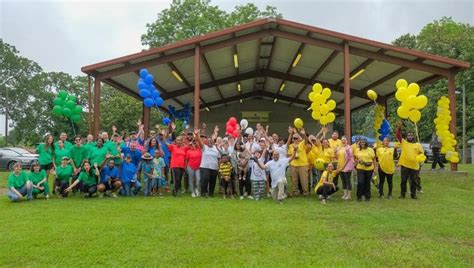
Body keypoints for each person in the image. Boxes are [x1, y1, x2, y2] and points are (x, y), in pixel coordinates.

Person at [396, 123, 424, 199]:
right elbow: (398, 135)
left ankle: (413, 195)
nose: (410, 136)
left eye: (411, 135)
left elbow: (421, 154)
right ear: (407, 136)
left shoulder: (417, 145)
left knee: (414, 181)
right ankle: (402, 194)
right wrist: (399, 128)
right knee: (403, 181)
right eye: (409, 135)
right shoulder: (404, 142)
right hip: (405, 165)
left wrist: (421, 161)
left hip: (414, 166)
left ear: (413, 136)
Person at [196, 128, 220, 198]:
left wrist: (219, 167)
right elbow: (200, 142)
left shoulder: (216, 148)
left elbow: (218, 158)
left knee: (213, 181)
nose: (209, 142)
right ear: (206, 142)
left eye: (211, 141)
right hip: (204, 167)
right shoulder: (204, 147)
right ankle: (203, 193)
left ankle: (211, 194)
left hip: (214, 168)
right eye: (208, 141)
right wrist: (197, 134)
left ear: (213, 142)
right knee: (205, 180)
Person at [287, 127, 310, 196]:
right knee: (294, 180)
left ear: (299, 139)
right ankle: (295, 192)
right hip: (293, 164)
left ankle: (305, 192)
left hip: (302, 164)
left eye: (296, 138)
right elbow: (289, 155)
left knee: (304, 180)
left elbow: (306, 141)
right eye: (294, 138)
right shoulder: (291, 146)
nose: (295, 139)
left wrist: (303, 134)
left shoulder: (302, 143)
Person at [185, 132, 202, 197]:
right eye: (192, 143)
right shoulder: (188, 151)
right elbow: (186, 160)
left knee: (198, 179)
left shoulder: (199, 149)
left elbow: (198, 141)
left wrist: (196, 136)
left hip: (198, 167)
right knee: (191, 179)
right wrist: (186, 167)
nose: (193, 144)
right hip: (190, 167)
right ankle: (192, 192)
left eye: (195, 143)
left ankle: (197, 189)